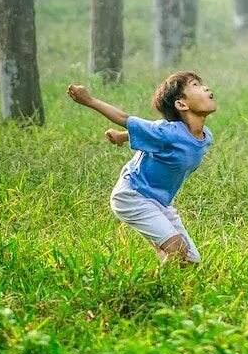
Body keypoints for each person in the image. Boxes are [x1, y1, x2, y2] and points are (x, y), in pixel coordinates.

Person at [67, 72, 216, 264]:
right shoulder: (167, 132)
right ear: (181, 104)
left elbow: (153, 136)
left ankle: (164, 257)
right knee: (177, 251)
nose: (205, 88)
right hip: (133, 195)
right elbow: (125, 118)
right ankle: (148, 289)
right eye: (195, 85)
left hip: (160, 202)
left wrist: (122, 136)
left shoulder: (205, 137)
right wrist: (89, 100)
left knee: (190, 261)